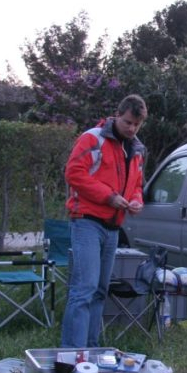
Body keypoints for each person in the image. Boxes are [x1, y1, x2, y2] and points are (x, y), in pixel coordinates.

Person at [60, 94, 148, 348]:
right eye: (128, 122)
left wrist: (136, 201)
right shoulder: (93, 138)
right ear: (117, 115)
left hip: (113, 228)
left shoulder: (137, 149)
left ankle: (91, 350)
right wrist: (109, 197)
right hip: (87, 222)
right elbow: (74, 173)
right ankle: (72, 354)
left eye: (136, 125)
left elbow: (137, 186)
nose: (131, 128)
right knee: (84, 289)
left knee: (100, 290)